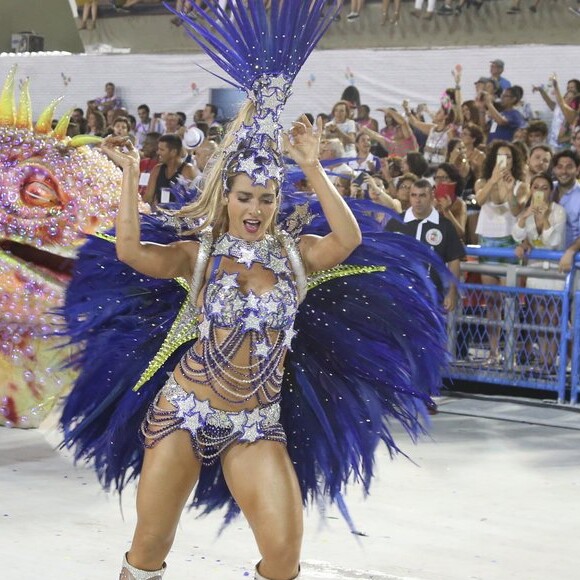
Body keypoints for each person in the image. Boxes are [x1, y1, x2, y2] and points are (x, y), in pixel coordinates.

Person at [60, 4, 448, 580]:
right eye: (245, 197)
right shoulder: (201, 256)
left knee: (284, 557)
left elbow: (349, 236)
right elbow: (131, 253)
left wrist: (312, 166)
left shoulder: (297, 256)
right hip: (184, 413)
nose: (255, 209)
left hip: (256, 422)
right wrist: (127, 180)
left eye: (266, 199)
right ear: (228, 198)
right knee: (148, 548)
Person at [474, 141, 529, 365]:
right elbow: (479, 200)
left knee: (510, 302)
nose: (504, 161)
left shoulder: (521, 185)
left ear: (514, 161)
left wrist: (508, 189)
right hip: (487, 242)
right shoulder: (481, 181)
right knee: (492, 301)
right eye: (500, 156)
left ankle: (511, 351)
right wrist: (494, 181)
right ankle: (493, 352)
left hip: (508, 243)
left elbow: (517, 209)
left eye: (508, 157)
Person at [512, 172, 566, 373]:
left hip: (554, 271)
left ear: (551, 192)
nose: (540, 192)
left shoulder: (559, 212)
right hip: (534, 270)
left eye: (544, 188)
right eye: (536, 187)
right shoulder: (527, 211)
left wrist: (543, 218)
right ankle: (543, 361)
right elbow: (517, 236)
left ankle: (551, 363)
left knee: (553, 319)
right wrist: (524, 217)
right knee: (539, 318)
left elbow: (553, 242)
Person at [386, 178, 465, 312]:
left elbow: (454, 260)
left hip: (431, 296)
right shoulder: (395, 222)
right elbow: (385, 255)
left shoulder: (444, 225)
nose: (417, 200)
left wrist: (452, 292)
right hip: (400, 293)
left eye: (422, 195)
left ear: (431, 196)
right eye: (414, 195)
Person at [143, 134, 197, 207]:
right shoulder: (157, 169)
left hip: (179, 215)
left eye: (162, 150)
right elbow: (148, 198)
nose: (158, 152)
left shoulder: (187, 170)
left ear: (173, 152)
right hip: (159, 215)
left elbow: (192, 201)